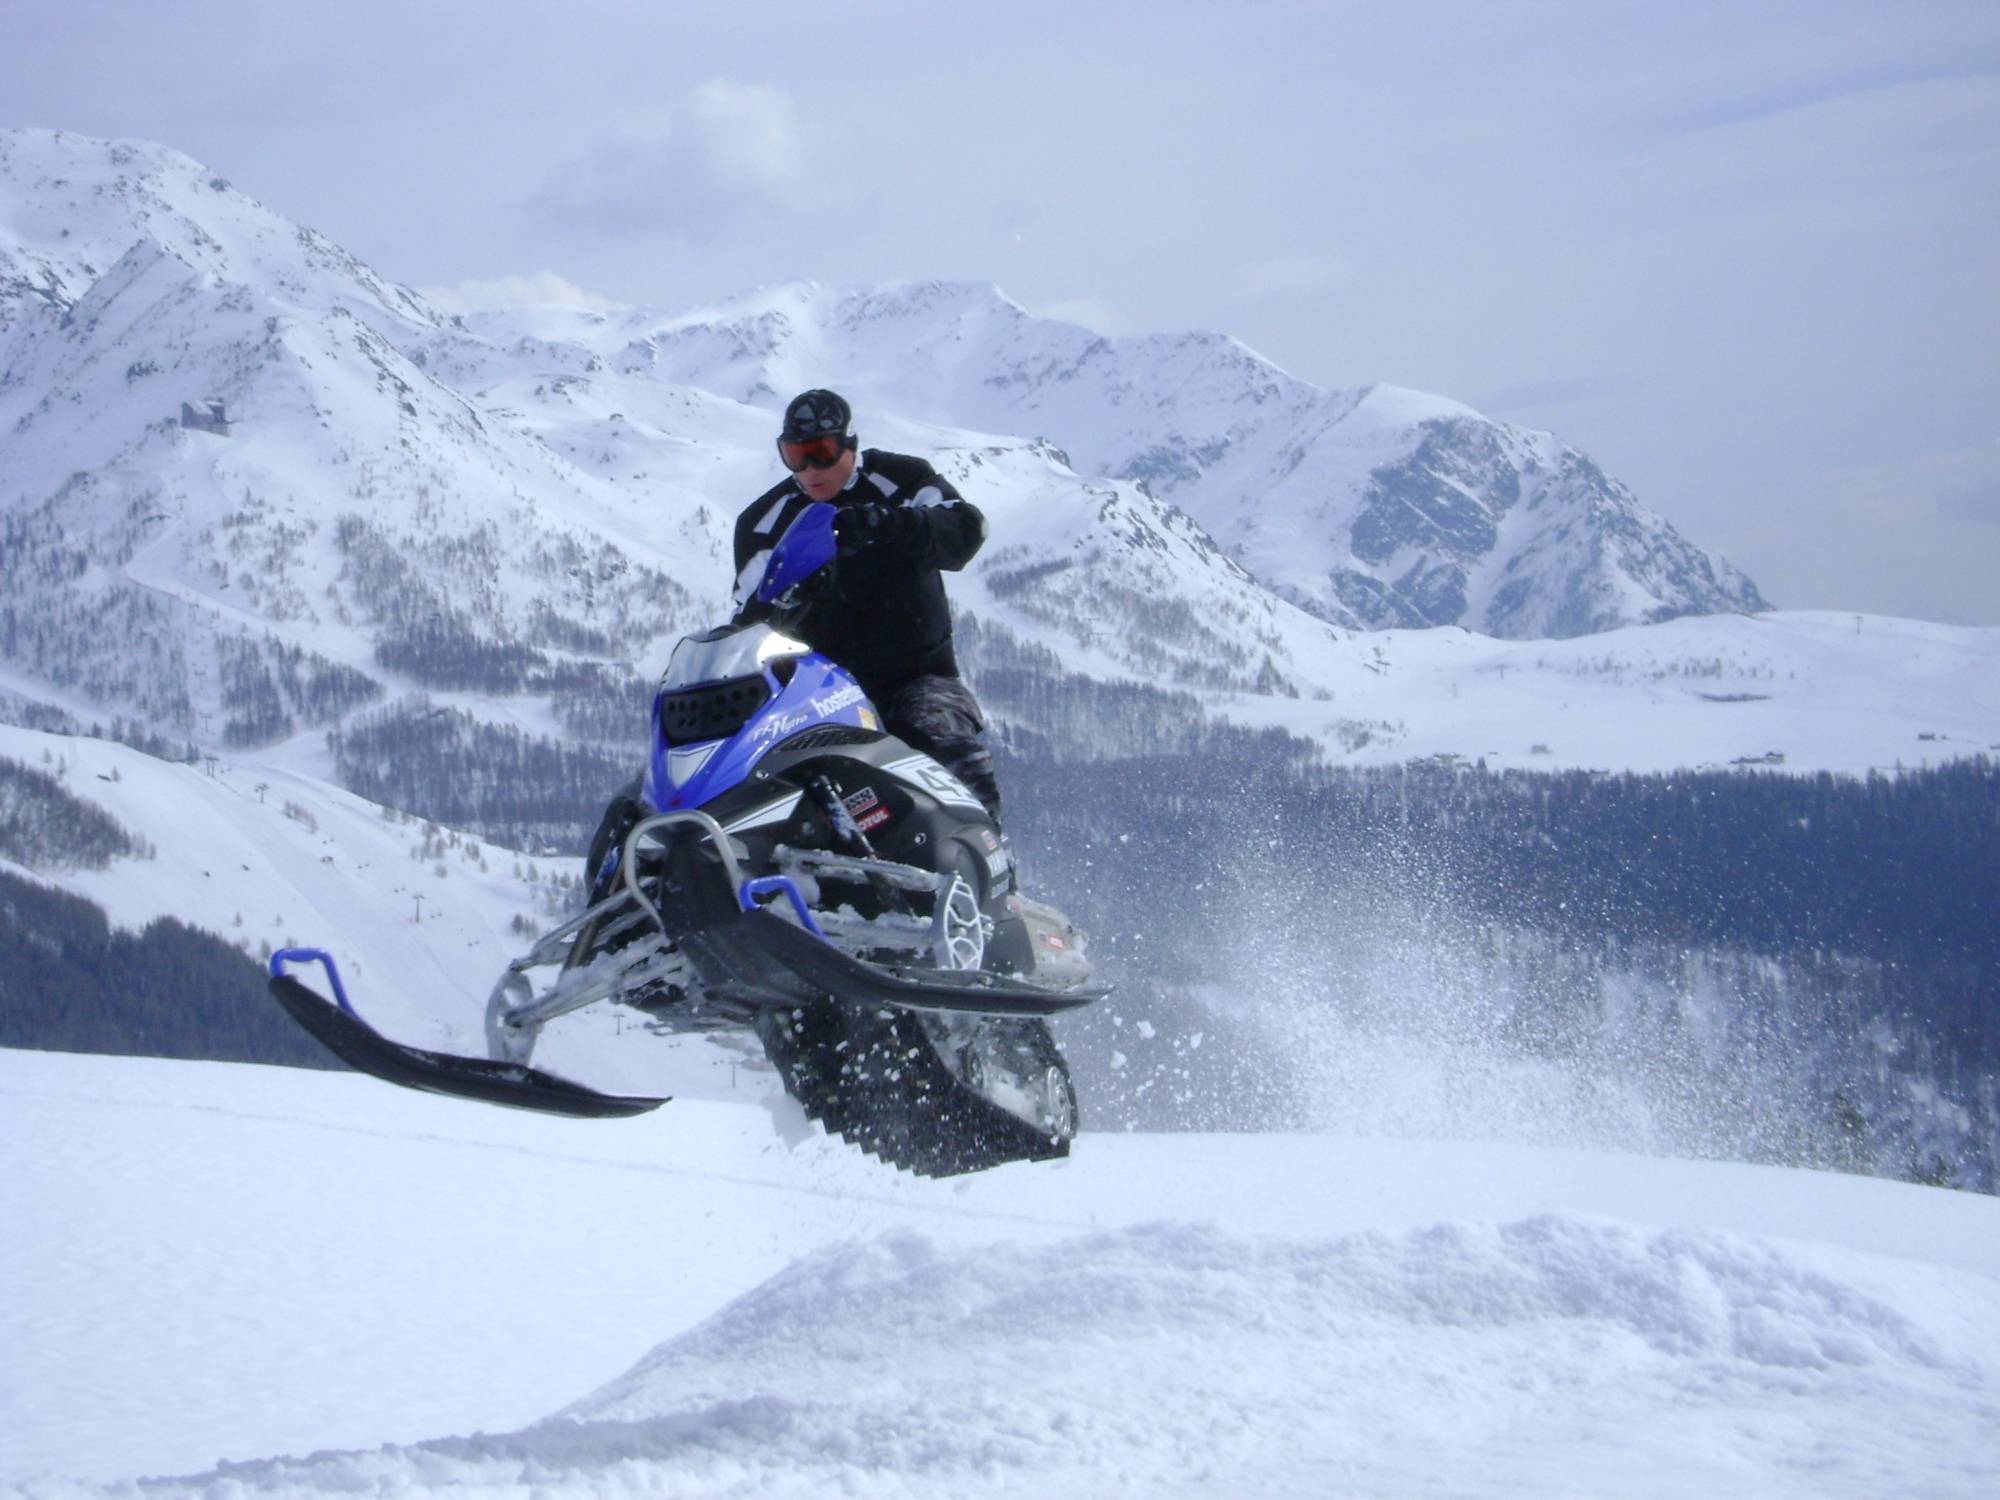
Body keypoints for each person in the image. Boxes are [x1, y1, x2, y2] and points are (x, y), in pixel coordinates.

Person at [730, 388, 1003, 823]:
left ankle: (990, 860)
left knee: (944, 742)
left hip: (916, 676)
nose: (809, 469)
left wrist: (889, 524)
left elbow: (965, 530)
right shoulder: (765, 522)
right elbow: (747, 617)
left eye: (821, 453)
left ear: (850, 445)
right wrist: (792, 599)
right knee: (759, 775)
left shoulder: (902, 481)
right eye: (795, 455)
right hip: (813, 692)